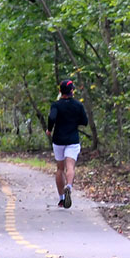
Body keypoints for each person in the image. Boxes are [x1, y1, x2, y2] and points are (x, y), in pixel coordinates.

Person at [46, 79, 88, 208]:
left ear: (60, 91)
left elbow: (52, 117)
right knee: (70, 166)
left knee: (60, 168)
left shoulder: (56, 105)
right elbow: (84, 121)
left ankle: (62, 199)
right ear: (72, 91)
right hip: (72, 140)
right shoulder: (78, 105)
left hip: (58, 140)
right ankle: (69, 186)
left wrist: (49, 129)